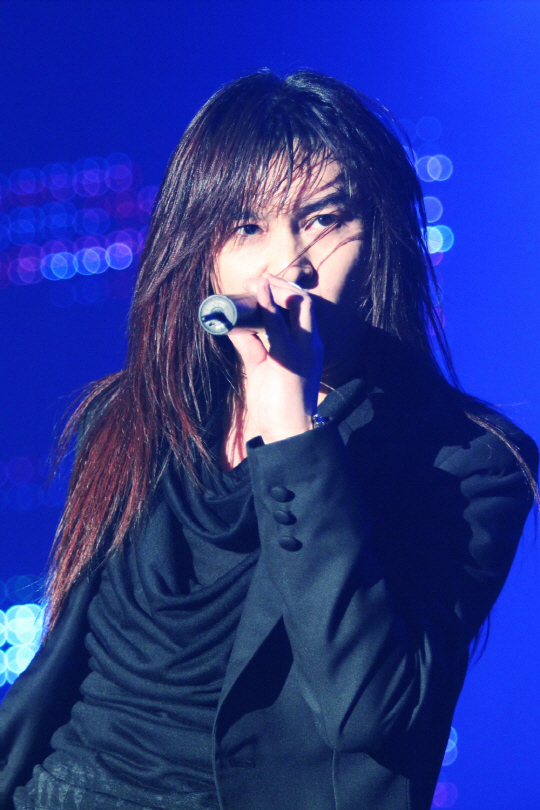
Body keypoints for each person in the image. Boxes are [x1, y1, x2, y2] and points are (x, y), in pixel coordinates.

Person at [0, 70, 537, 810]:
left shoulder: (470, 462)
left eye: (321, 219)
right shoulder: (135, 417)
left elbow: (370, 708)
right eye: (248, 227)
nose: (290, 264)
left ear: (381, 235)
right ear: (202, 253)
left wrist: (290, 424)